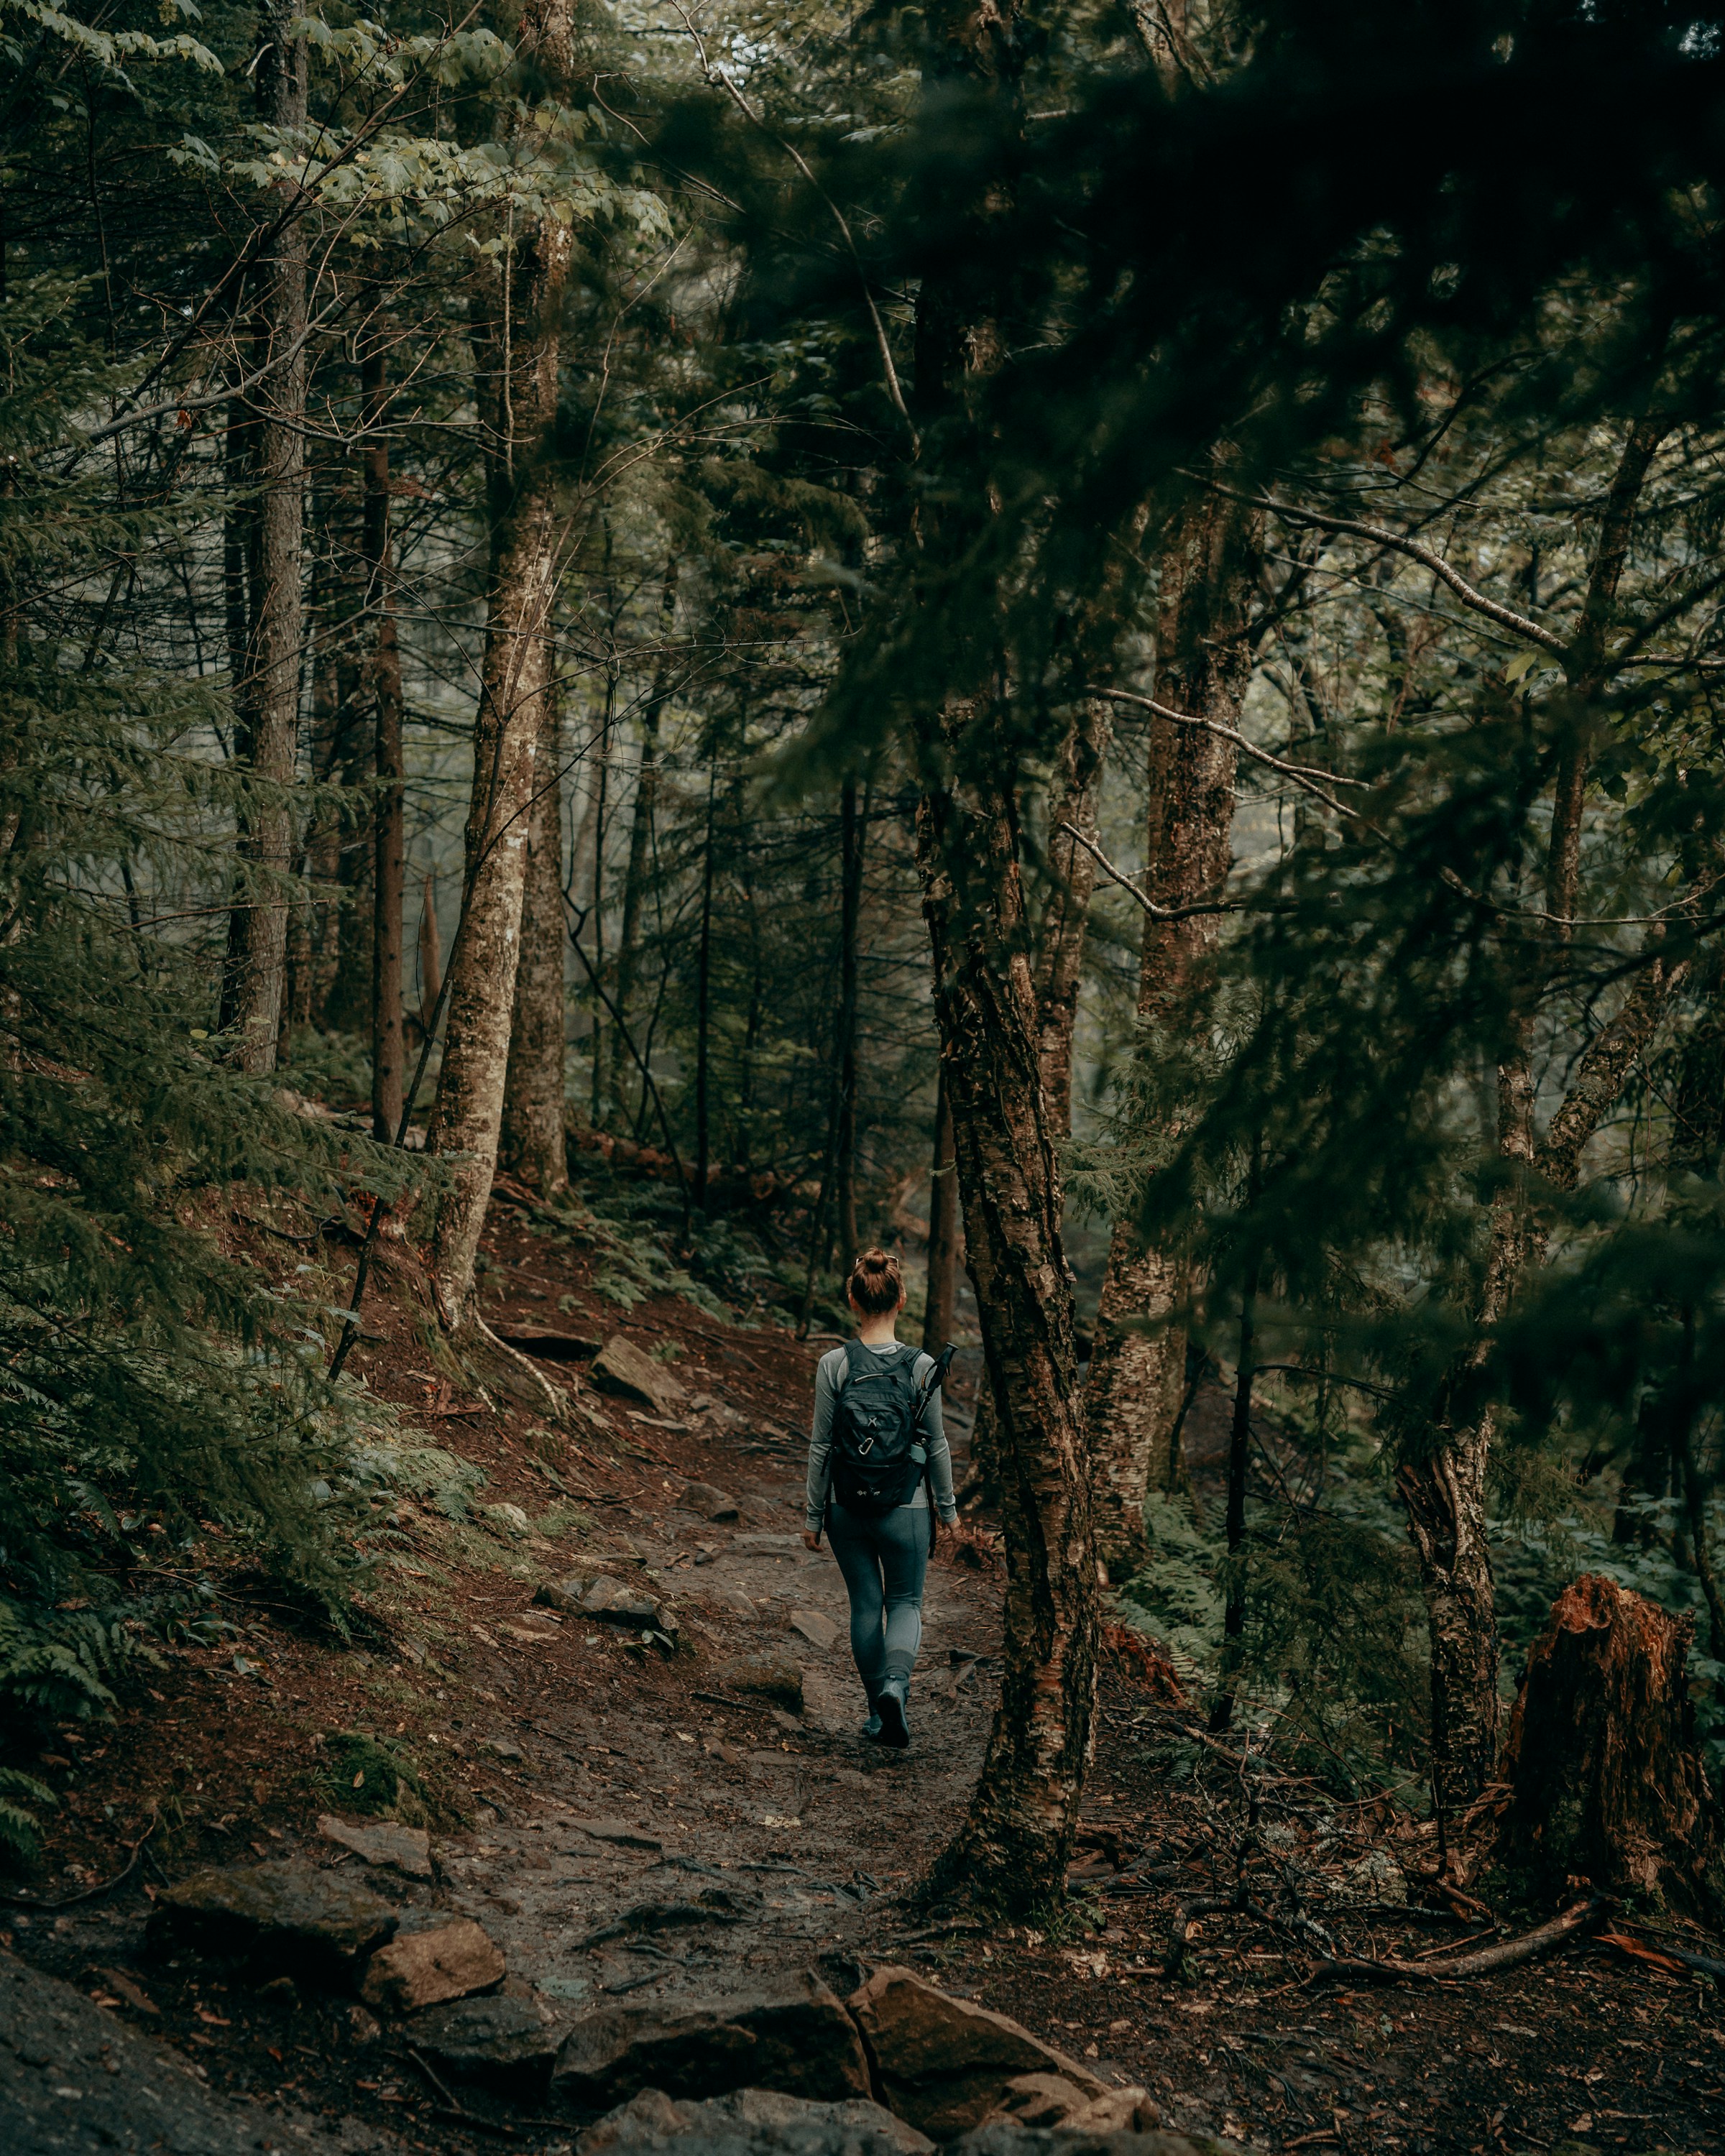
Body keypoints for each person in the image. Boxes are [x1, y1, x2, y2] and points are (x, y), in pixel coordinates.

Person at [802, 1247, 958, 1748]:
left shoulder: (834, 1364)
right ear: (902, 1300)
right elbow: (935, 1444)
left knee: (865, 1606)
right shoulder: (922, 1367)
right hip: (905, 1508)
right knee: (906, 1601)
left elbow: (821, 1445)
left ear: (853, 1299)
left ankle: (875, 1714)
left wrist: (812, 1516)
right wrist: (950, 1511)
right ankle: (896, 1685)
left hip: (846, 1507)